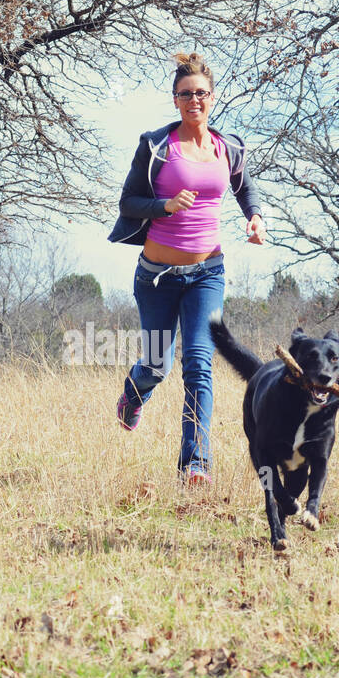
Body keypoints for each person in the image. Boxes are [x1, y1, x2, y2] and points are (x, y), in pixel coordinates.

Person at [106, 52, 267, 486]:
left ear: (212, 97)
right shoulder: (157, 146)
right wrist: (164, 205)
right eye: (185, 94)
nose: (193, 100)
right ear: (174, 99)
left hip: (207, 274)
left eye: (200, 93)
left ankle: (195, 465)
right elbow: (128, 203)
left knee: (199, 364)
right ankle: (133, 395)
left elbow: (243, 186)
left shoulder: (227, 147)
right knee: (157, 364)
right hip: (157, 278)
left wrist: (253, 216)